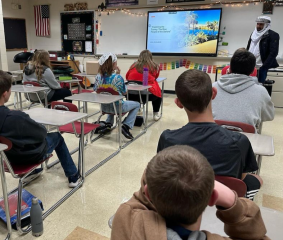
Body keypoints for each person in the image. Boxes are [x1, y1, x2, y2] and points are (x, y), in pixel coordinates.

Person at [111, 146, 269, 240]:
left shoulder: (127, 219)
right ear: (212, 198)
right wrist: (231, 201)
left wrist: (158, 176)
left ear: (148, 194)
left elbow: (139, 199)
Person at [157, 70, 262, 199]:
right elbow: (242, 177)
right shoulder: (239, 141)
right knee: (255, 179)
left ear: (178, 103)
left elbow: (161, 174)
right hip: (223, 206)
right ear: (213, 93)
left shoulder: (167, 139)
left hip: (184, 204)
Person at [0, 68, 80, 187]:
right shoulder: (16, 118)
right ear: (5, 94)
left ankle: (34, 171)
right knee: (56, 136)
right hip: (27, 156)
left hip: (7, 157)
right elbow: (42, 134)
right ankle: (73, 176)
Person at [213, 49, 274, 131]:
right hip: (246, 140)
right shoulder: (261, 91)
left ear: (229, 68)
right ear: (253, 71)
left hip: (214, 137)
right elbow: (269, 116)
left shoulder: (212, 87)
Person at [93, 53, 140, 140]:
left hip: (104, 107)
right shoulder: (118, 78)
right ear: (113, 64)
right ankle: (126, 125)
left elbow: (95, 89)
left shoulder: (98, 77)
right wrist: (119, 74)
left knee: (111, 99)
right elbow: (125, 92)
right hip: (118, 108)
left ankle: (108, 123)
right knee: (137, 104)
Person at [126, 50, 162, 121]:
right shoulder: (154, 66)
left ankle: (138, 109)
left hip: (131, 94)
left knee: (139, 91)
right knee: (158, 93)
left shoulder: (133, 65)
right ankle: (156, 113)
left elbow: (127, 77)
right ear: (150, 57)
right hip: (147, 94)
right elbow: (156, 77)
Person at [247, 15, 280, 84]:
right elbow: (248, 47)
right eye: (257, 24)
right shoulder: (253, 34)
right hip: (251, 66)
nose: (258, 26)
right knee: (248, 85)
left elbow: (273, 52)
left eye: (261, 24)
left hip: (262, 67)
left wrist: (264, 66)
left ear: (266, 25)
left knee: (260, 86)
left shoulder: (273, 35)